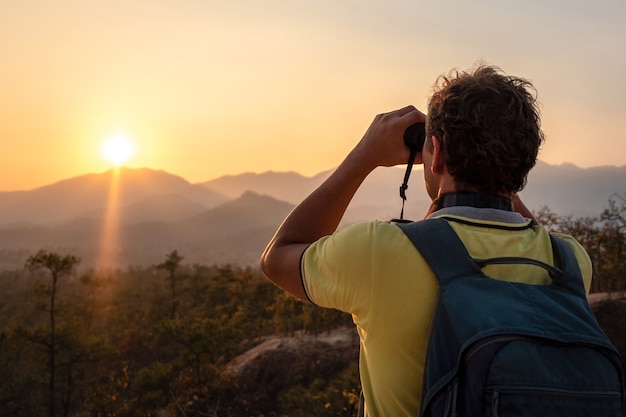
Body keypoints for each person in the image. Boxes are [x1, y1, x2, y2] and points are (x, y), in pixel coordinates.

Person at [260, 64, 593, 417]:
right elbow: (531, 229)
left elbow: (278, 256)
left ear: (436, 152)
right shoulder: (569, 262)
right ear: (526, 159)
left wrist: (365, 155)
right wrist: (501, 172)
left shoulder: (380, 252)